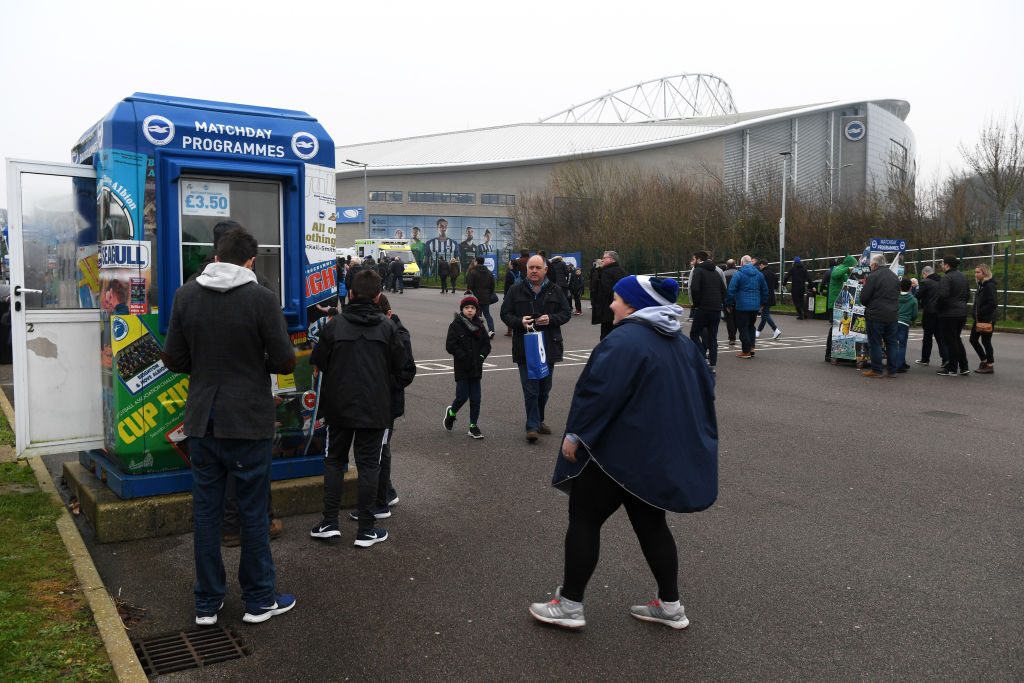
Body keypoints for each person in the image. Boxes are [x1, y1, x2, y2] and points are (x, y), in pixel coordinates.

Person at [528, 275, 717, 631]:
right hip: (653, 458)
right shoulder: (681, 343)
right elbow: (705, 393)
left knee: (584, 517)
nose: (611, 305)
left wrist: (576, 436)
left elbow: (599, 394)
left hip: (616, 456)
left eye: (616, 298)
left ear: (634, 303)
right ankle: (670, 606)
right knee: (652, 524)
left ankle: (569, 604)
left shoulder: (625, 340)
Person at [161, 226, 297, 626]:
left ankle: (207, 603)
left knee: (206, 514)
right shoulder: (261, 298)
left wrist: (201, 367)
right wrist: (259, 363)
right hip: (249, 421)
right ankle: (259, 600)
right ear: (250, 261)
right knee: (253, 513)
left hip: (203, 422)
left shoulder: (186, 294)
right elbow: (286, 360)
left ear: (216, 256)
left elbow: (173, 357)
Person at [310, 269, 408, 547]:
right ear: (378, 296)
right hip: (375, 410)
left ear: (349, 293)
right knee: (368, 465)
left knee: (334, 461)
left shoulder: (334, 326)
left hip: (338, 407)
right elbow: (405, 370)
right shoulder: (388, 328)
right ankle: (366, 528)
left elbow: (319, 364)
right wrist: (384, 386)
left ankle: (329, 521)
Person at [346, 294, 416, 520]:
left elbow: (407, 372)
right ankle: (387, 491)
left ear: (388, 314)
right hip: (379, 401)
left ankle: (380, 502)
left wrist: (382, 384)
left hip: (386, 402)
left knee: (378, 450)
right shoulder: (386, 330)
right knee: (380, 448)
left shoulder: (399, 334)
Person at [500, 254, 572, 443]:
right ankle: (531, 426)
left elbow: (565, 313)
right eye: (531, 267)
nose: (533, 271)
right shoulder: (516, 290)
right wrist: (518, 322)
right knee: (530, 388)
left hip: (549, 345)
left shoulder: (555, 290)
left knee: (544, 388)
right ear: (526, 269)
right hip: (526, 346)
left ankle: (539, 420)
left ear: (545, 270)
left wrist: (551, 319)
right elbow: (505, 313)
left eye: (537, 268)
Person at [443, 294, 491, 439]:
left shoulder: (480, 326)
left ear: (476, 310)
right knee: (462, 397)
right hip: (462, 367)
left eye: (472, 308)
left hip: (476, 367)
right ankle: (451, 413)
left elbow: (486, 345)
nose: (470, 310)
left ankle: (473, 426)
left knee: (476, 398)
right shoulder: (455, 325)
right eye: (466, 308)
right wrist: (462, 356)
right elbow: (450, 345)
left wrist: (482, 356)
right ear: (462, 309)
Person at [859, 253, 901, 378]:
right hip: (892, 315)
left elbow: (864, 298)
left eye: (871, 264)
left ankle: (877, 370)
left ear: (875, 265)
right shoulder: (894, 276)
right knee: (892, 343)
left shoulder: (873, 276)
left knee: (875, 343)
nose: (870, 266)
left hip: (876, 315)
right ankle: (892, 371)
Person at [688, 250, 725, 374]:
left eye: (694, 258)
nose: (693, 261)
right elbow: (723, 290)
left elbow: (695, 288)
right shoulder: (715, 272)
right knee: (713, 337)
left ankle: (703, 358)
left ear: (698, 259)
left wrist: (696, 304)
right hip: (716, 309)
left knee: (694, 333)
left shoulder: (698, 271)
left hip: (703, 308)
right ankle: (712, 364)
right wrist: (721, 303)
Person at [725, 255, 767, 359]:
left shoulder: (739, 274)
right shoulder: (759, 274)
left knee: (742, 327)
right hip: (755, 305)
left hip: (742, 305)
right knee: (751, 326)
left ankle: (746, 351)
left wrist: (728, 303)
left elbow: (731, 290)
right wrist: (762, 303)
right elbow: (765, 290)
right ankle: (752, 347)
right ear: (751, 262)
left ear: (742, 263)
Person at [935, 256, 970, 377]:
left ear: (947, 265)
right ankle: (964, 366)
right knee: (957, 339)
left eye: (942, 263)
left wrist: (938, 308)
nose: (941, 265)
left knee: (950, 341)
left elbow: (943, 296)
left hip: (949, 313)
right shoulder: (963, 276)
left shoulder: (947, 278)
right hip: (962, 312)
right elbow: (968, 295)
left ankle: (952, 368)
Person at [826, 255, 857, 362]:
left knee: (843, 328)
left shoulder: (844, 272)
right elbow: (835, 275)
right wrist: (848, 269)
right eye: (853, 266)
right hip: (835, 303)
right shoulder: (838, 268)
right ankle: (829, 353)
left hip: (843, 304)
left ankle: (841, 353)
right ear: (849, 264)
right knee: (835, 328)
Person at [914, 265, 947, 367]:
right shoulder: (942, 280)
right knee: (940, 337)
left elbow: (918, 296)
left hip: (929, 312)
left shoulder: (925, 282)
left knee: (927, 337)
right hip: (941, 312)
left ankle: (925, 359)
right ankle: (945, 359)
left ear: (925, 273)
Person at [591, 251, 627, 339]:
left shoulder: (606, 273)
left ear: (611, 259)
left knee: (606, 336)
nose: (602, 260)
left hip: (608, 310)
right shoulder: (621, 270)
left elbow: (605, 291)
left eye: (604, 258)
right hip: (620, 309)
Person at [969, 263, 997, 374]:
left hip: (986, 319)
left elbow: (993, 303)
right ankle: (985, 360)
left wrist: (979, 312)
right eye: (975, 272)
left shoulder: (989, 285)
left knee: (986, 341)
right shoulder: (982, 285)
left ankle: (989, 365)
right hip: (980, 318)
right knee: (973, 339)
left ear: (984, 273)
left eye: (978, 272)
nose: (975, 274)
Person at [466, 256, 496, 337]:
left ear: (476, 262)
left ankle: (478, 331)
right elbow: (492, 286)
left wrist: (469, 292)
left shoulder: (473, 272)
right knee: (487, 314)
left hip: (476, 297)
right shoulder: (489, 272)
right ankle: (491, 330)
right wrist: (489, 293)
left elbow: (470, 285)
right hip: (486, 297)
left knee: (477, 315)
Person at [895, 277, 919, 373]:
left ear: (900, 287)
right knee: (902, 345)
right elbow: (914, 315)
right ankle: (899, 365)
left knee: (893, 344)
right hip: (904, 323)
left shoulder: (895, 296)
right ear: (910, 288)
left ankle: (893, 363)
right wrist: (911, 320)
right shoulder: (913, 300)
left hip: (894, 321)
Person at [754, 259, 782, 339]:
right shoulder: (773, 273)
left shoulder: (761, 274)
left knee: (765, 315)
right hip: (771, 296)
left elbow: (759, 286)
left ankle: (775, 329)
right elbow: (776, 286)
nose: (759, 267)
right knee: (764, 315)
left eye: (760, 265)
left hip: (764, 296)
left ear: (762, 265)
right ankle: (758, 331)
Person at [721, 259, 738, 345]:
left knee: (730, 319)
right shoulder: (739, 273)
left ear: (727, 265)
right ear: (735, 264)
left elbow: (722, 288)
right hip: (739, 300)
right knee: (737, 319)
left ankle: (732, 338)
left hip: (727, 300)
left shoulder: (723, 274)